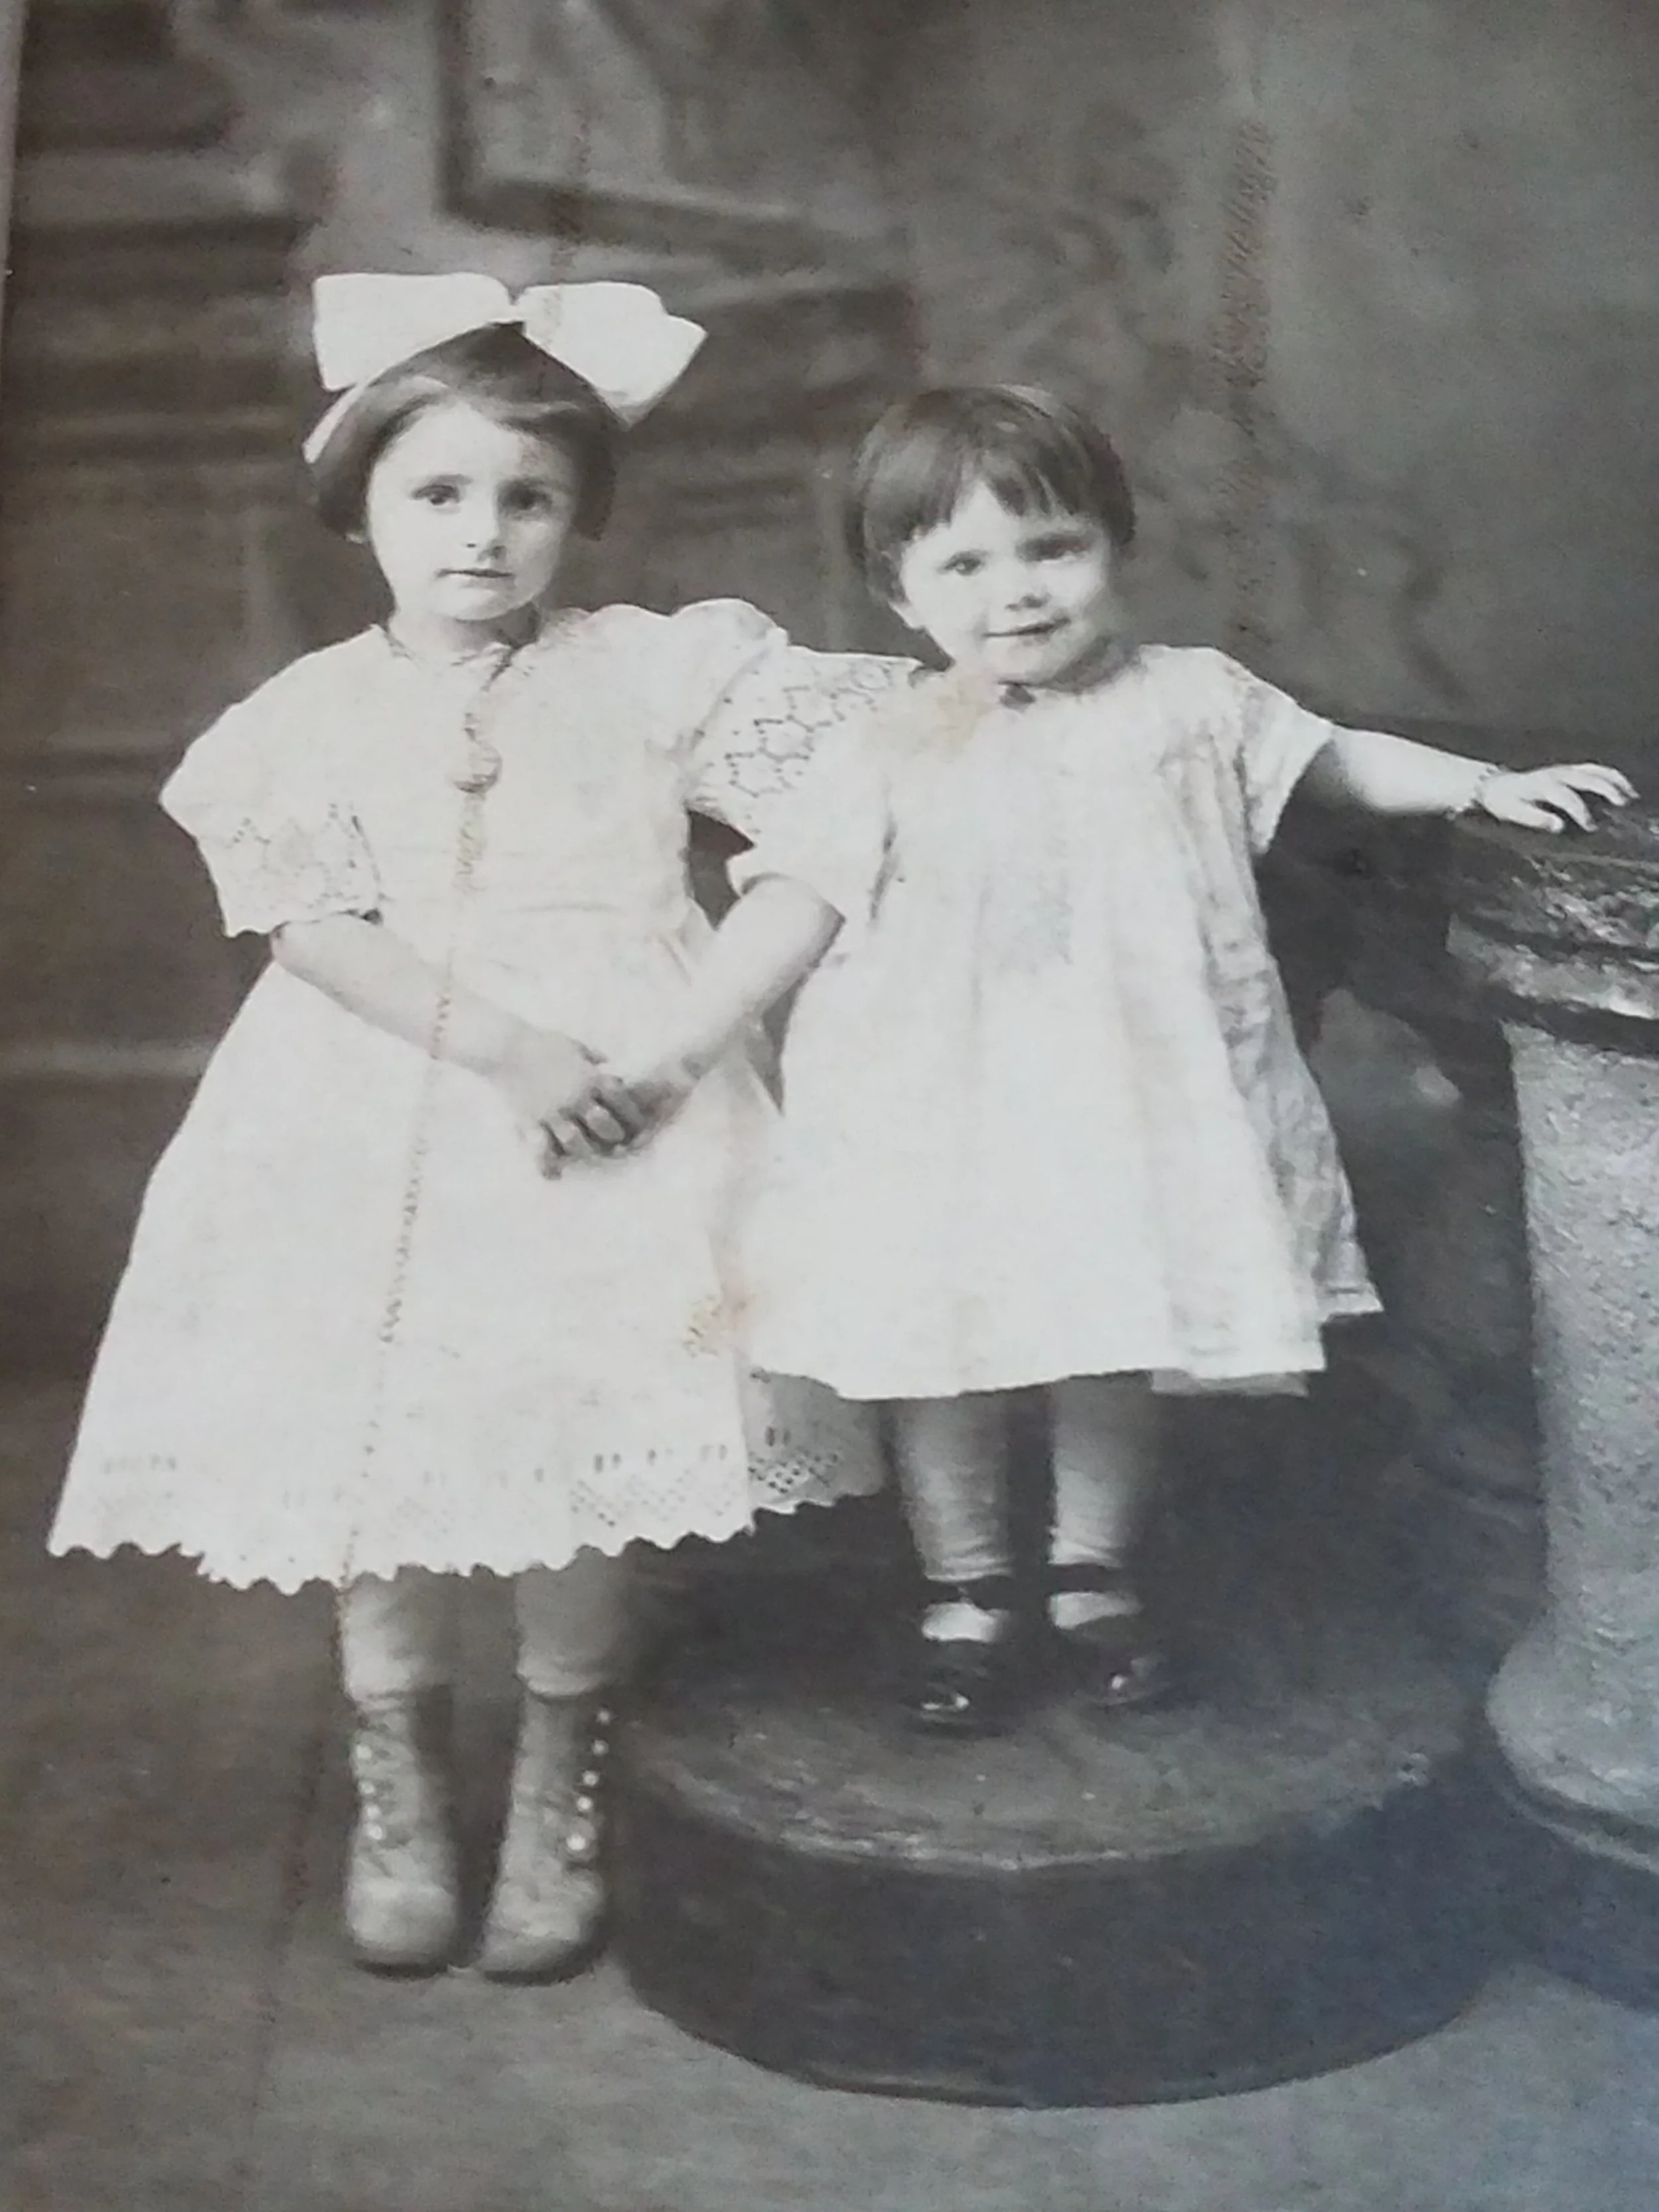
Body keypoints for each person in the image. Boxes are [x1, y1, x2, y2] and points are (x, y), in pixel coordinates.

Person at [47, 273, 908, 1977]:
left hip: (628, 1112)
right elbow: (314, 926)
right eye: (435, 493)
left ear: (580, 512)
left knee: (580, 1436)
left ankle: (557, 1780)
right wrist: (509, 1045)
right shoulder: (300, 718)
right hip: (388, 1104)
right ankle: (396, 1782)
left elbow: (834, 833)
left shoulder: (662, 672)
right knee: (389, 1447)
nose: (482, 535)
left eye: (528, 498)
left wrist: (676, 1044)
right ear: (358, 504)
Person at [613, 385, 1635, 1737]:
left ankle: (1092, 1574)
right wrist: (671, 1051)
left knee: (1109, 1330)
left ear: (1113, 545)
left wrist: (1472, 787)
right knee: (944, 1346)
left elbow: (1334, 763)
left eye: (1051, 548)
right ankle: (966, 1587)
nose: (1016, 592)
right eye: (963, 564)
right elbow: (789, 903)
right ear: (899, 593)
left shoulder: (1191, 703)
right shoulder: (882, 745)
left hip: (1120, 1103)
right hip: (937, 1108)